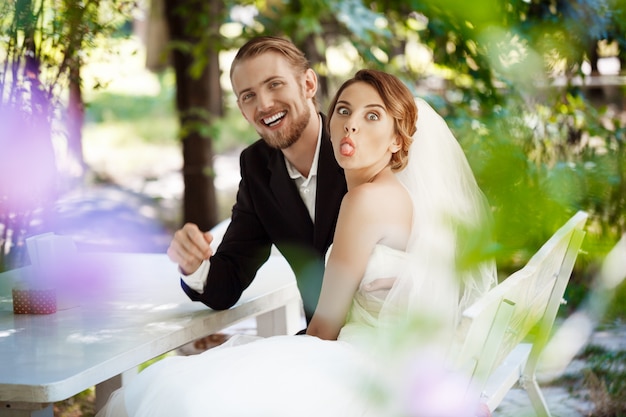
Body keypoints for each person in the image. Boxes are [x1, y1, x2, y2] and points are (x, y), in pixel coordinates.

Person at [97, 69, 497, 417]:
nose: (351, 124)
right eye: (344, 110)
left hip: (367, 369)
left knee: (186, 391)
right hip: (389, 359)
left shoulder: (364, 200)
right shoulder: (393, 195)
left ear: (396, 141)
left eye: (371, 116)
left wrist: (272, 359)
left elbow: (324, 327)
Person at [167, 36, 347, 326]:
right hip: (319, 343)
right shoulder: (257, 169)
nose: (264, 104)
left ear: (308, 85)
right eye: (248, 96)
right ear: (241, 109)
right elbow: (227, 284)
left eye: (275, 84)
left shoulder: (356, 148)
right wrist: (194, 264)